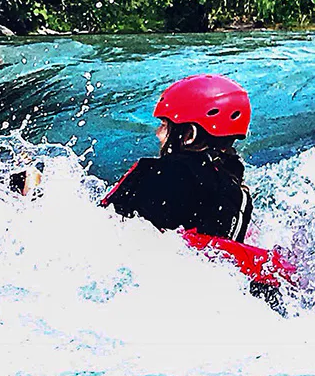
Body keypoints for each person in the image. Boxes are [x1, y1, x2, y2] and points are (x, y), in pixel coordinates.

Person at [101, 74, 284, 310]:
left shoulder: (155, 172)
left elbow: (102, 225)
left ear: (189, 135)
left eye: (165, 125)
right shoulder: (239, 193)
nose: (158, 133)